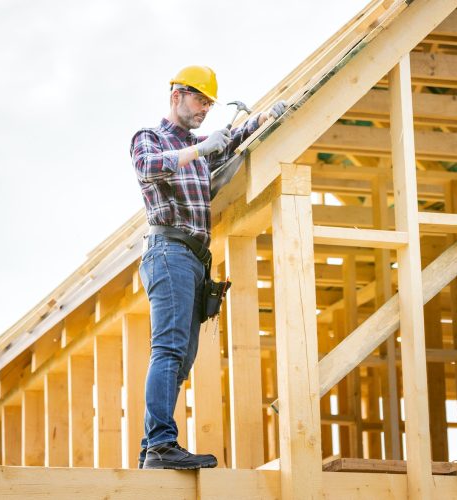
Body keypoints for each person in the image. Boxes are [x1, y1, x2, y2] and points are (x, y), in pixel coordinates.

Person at [129, 65, 286, 469]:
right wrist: (200, 150)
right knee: (167, 348)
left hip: (194, 261)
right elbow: (149, 166)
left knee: (180, 359)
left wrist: (264, 118)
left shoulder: (200, 146)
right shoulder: (151, 138)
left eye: (210, 104)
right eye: (200, 100)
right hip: (169, 251)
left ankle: (153, 450)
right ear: (176, 96)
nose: (205, 109)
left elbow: (230, 138)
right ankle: (162, 443)